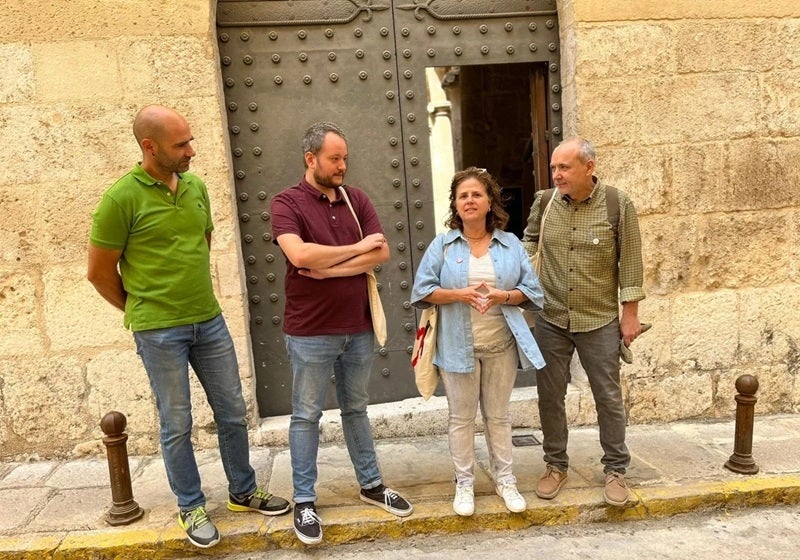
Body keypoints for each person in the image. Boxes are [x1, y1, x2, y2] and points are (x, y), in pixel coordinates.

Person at [87, 105, 290, 549]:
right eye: (181, 145)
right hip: (159, 331)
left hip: (209, 320)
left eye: (190, 140)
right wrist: (142, 309)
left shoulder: (196, 186)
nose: (191, 151)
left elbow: (202, 241)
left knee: (233, 410)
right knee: (176, 422)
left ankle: (242, 490)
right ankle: (191, 504)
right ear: (149, 146)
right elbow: (99, 273)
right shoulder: (120, 199)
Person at [271, 122, 413, 545]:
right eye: (334, 158)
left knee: (356, 409)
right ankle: (304, 502)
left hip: (359, 327)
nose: (342, 166)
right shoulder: (287, 202)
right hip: (311, 331)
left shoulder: (358, 200)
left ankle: (371, 484)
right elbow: (298, 254)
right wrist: (358, 251)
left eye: (345, 158)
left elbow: (382, 251)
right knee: (306, 415)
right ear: (310, 158)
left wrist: (328, 267)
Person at [411, 167, 545, 517]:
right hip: (457, 347)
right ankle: (465, 483)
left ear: (489, 202)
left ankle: (506, 480)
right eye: (462, 196)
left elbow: (532, 292)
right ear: (455, 206)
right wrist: (458, 293)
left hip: (501, 345)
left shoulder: (510, 243)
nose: (469, 201)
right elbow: (421, 292)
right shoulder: (442, 245)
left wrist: (504, 296)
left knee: (499, 417)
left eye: (476, 195)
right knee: (461, 419)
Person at [522, 137, 645, 507]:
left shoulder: (616, 204)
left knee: (608, 398)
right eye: (554, 168)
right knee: (549, 396)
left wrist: (631, 314)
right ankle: (556, 465)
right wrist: (522, 269)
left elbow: (632, 261)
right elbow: (530, 240)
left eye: (565, 168)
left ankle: (616, 470)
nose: (556, 175)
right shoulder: (544, 202)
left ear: (588, 167)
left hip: (599, 319)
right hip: (552, 316)